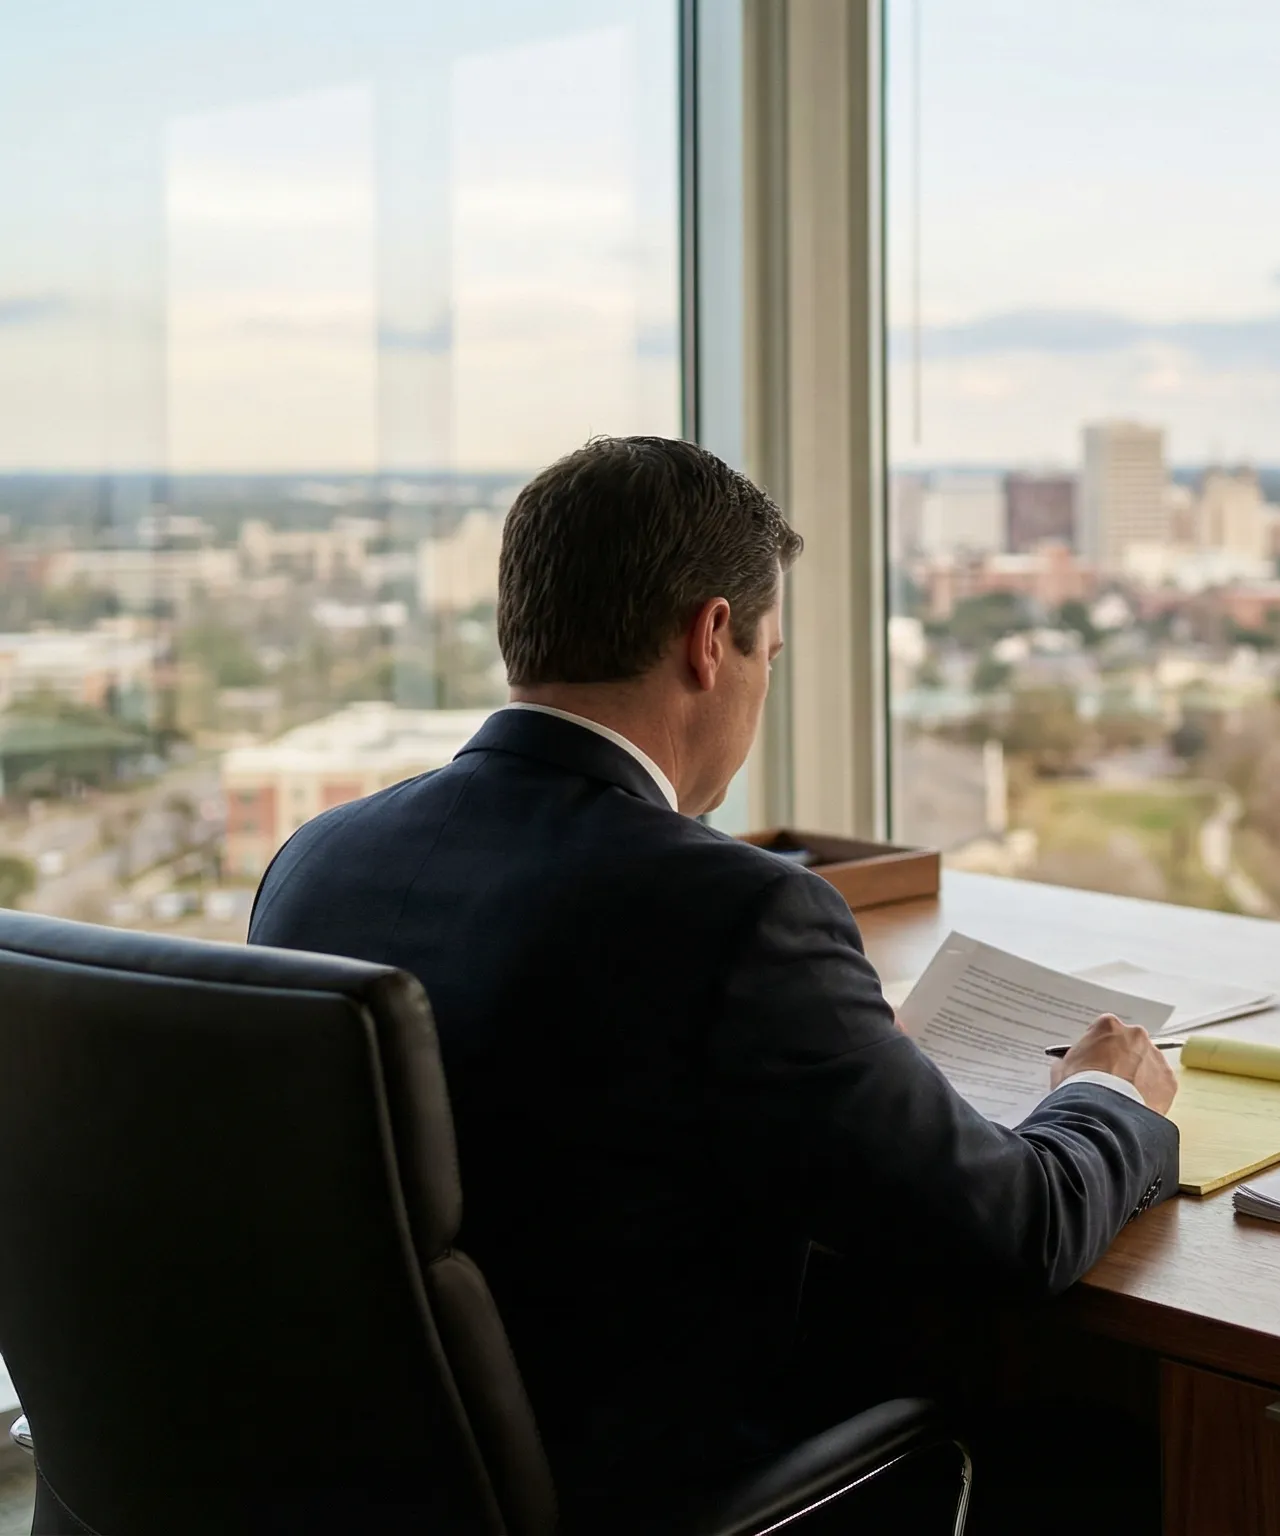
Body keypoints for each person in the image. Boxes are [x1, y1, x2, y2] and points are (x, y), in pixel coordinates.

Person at [249, 436, 1178, 1526]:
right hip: (640, 1487)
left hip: (370, 1487)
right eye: (771, 658)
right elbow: (1019, 1232)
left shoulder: (314, 861)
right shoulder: (736, 913)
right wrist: (1104, 1091)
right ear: (711, 639)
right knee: (1103, 1456)